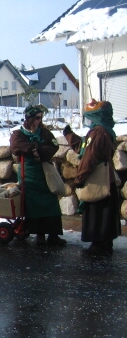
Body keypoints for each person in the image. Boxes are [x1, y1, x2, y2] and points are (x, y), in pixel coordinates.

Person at [64, 100, 121, 256]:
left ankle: (98, 244)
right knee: (106, 211)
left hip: (98, 179)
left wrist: (80, 178)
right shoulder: (105, 130)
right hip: (106, 178)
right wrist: (69, 135)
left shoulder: (98, 132)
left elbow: (89, 156)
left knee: (97, 211)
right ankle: (106, 243)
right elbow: (84, 146)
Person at [10, 104, 67, 246]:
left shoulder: (44, 132)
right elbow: (16, 147)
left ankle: (53, 235)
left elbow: (53, 145)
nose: (39, 121)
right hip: (29, 173)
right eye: (36, 118)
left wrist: (40, 151)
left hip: (44, 172)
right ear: (29, 118)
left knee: (51, 202)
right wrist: (33, 148)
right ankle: (39, 235)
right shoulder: (19, 133)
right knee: (34, 205)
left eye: (40, 118)